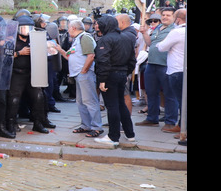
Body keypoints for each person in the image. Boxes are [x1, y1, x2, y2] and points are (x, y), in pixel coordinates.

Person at [92, 15, 136, 146]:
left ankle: (113, 137)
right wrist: (125, 73)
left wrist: (102, 79)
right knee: (120, 104)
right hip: (122, 74)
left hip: (110, 75)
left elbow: (103, 61)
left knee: (112, 106)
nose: (98, 26)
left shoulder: (105, 40)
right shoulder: (126, 38)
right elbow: (132, 60)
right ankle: (130, 134)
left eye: (99, 24)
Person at [56, 20, 103, 137]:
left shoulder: (84, 38)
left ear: (73, 28)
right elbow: (70, 56)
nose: (67, 30)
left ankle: (97, 127)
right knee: (81, 102)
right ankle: (86, 125)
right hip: (79, 75)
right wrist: (59, 49)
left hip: (84, 74)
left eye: (69, 28)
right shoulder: (78, 39)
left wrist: (83, 70)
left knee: (90, 101)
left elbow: (91, 56)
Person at [138, 8, 177, 129]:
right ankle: (152, 118)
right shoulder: (158, 28)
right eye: (163, 15)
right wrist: (144, 33)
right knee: (151, 92)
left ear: (174, 17)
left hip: (166, 65)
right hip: (152, 64)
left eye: (168, 15)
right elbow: (150, 44)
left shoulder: (175, 30)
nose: (165, 17)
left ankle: (170, 122)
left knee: (169, 94)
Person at [156, 9, 186, 135]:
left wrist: (157, 44)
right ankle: (181, 125)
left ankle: (183, 128)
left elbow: (162, 47)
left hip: (177, 70)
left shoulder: (177, 32)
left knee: (181, 102)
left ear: (178, 19)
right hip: (182, 69)